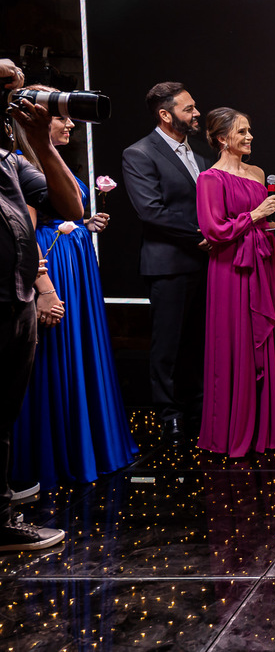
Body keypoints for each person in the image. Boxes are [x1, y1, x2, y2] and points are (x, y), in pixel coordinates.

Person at [9, 95, 138, 488]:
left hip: (74, 268)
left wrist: (84, 228)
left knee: (76, 356)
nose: (69, 125)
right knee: (56, 361)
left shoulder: (47, 160)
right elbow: (25, 234)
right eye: (60, 118)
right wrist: (45, 289)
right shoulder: (21, 163)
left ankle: (85, 445)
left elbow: (67, 211)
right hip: (54, 274)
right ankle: (59, 453)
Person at [0, 58, 84, 551]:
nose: (18, 97)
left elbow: (69, 205)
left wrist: (42, 141)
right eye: (8, 85)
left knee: (4, 411)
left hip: (15, 300)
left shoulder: (10, 160)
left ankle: (2, 513)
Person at [196, 107, 275, 457]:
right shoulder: (210, 179)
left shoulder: (257, 173)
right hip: (231, 268)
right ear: (221, 138)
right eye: (241, 132)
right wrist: (256, 215)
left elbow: (259, 224)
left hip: (264, 260)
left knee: (268, 339)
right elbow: (214, 230)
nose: (249, 137)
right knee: (237, 341)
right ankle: (237, 428)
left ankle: (270, 425)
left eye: (249, 130)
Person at [122, 83, 211, 442]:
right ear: (165, 114)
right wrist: (200, 235)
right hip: (169, 264)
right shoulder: (139, 154)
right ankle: (170, 415)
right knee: (168, 345)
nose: (196, 113)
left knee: (198, 342)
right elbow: (151, 211)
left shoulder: (201, 155)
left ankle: (199, 409)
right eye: (188, 109)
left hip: (206, 263)